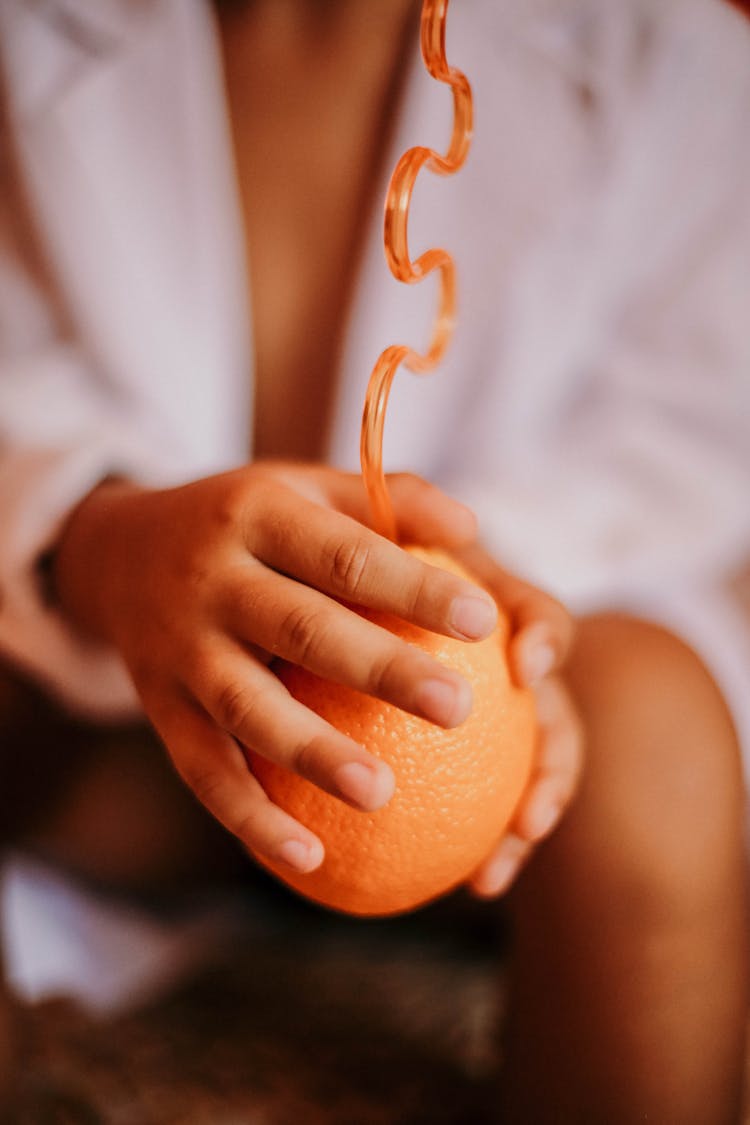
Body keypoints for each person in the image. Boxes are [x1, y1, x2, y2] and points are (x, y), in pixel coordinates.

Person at [0, 0, 749, 1120]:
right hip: (117, 741)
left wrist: (480, 583)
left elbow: (701, 427)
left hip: (510, 773)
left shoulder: (677, 56)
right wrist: (94, 535)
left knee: (661, 753)